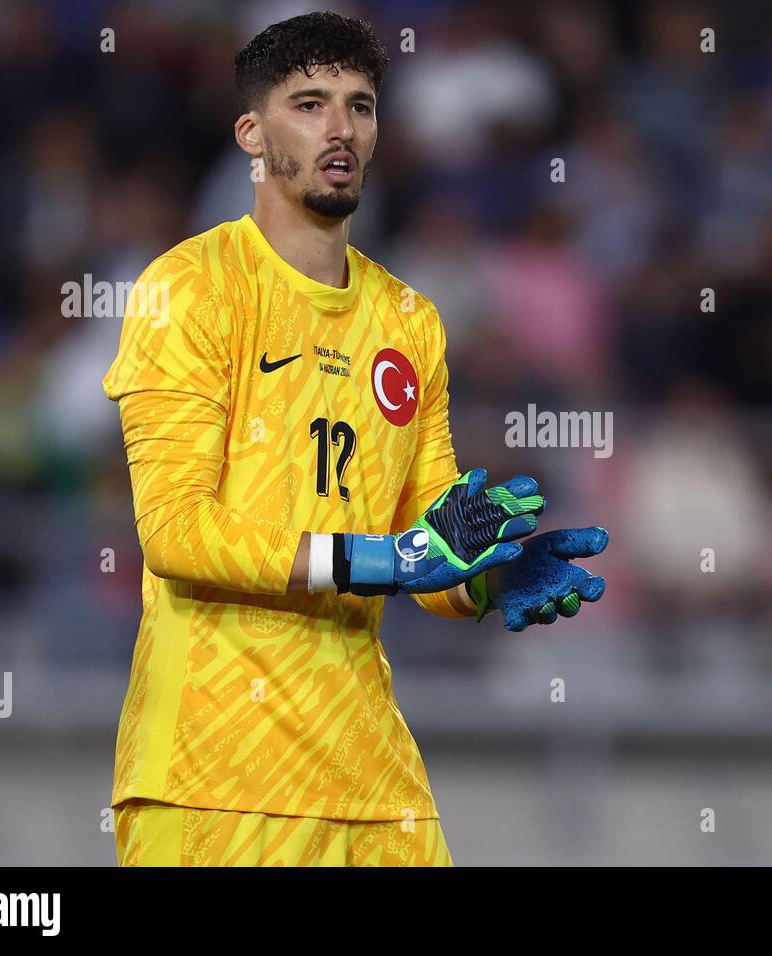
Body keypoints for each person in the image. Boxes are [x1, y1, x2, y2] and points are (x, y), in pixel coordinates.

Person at [102, 12, 607, 867]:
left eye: (360, 106)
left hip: (375, 791)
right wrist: (380, 561)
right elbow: (175, 532)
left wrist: (485, 576)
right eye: (309, 103)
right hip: (214, 781)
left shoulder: (409, 321)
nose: (340, 128)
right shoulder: (189, 288)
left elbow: (431, 551)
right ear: (252, 135)